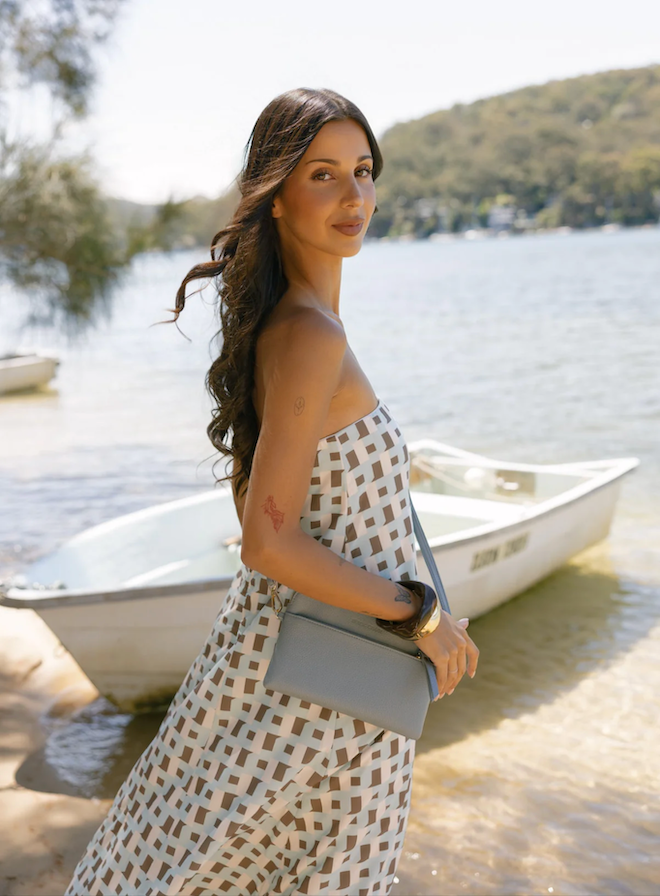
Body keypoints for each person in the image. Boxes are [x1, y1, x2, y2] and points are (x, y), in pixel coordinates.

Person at [64, 87, 479, 896]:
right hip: (325, 692)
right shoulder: (311, 334)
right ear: (277, 196)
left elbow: (290, 512)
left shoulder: (293, 323)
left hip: (298, 669)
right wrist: (422, 616)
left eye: (363, 171)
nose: (354, 195)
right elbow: (268, 541)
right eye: (324, 175)